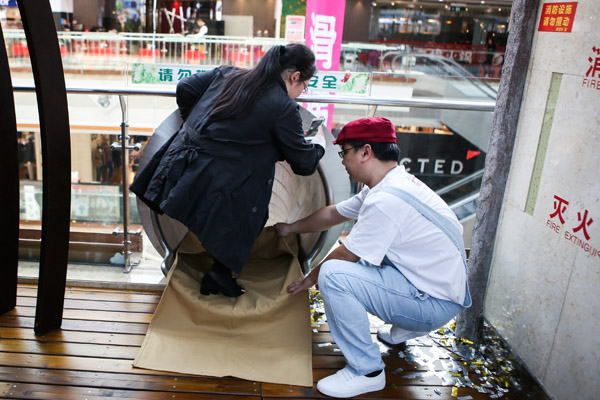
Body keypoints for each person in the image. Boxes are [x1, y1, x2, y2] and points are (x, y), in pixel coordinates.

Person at [272, 117, 471, 398]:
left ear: (366, 152)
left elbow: (346, 254)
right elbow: (335, 213)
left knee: (334, 275)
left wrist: (309, 279)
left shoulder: (386, 200)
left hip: (432, 302)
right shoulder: (391, 183)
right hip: (439, 288)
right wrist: (290, 227)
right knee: (365, 259)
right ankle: (405, 327)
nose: (342, 161)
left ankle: (367, 370)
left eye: (345, 153)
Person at [131, 44, 325, 298]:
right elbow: (303, 163)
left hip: (181, 165)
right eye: (305, 86)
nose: (301, 93)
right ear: (295, 76)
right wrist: (318, 143)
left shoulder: (229, 73)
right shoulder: (283, 107)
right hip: (220, 181)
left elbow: (185, 88)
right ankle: (219, 273)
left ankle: (217, 274)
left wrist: (200, 125)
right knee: (254, 209)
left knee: (239, 202)